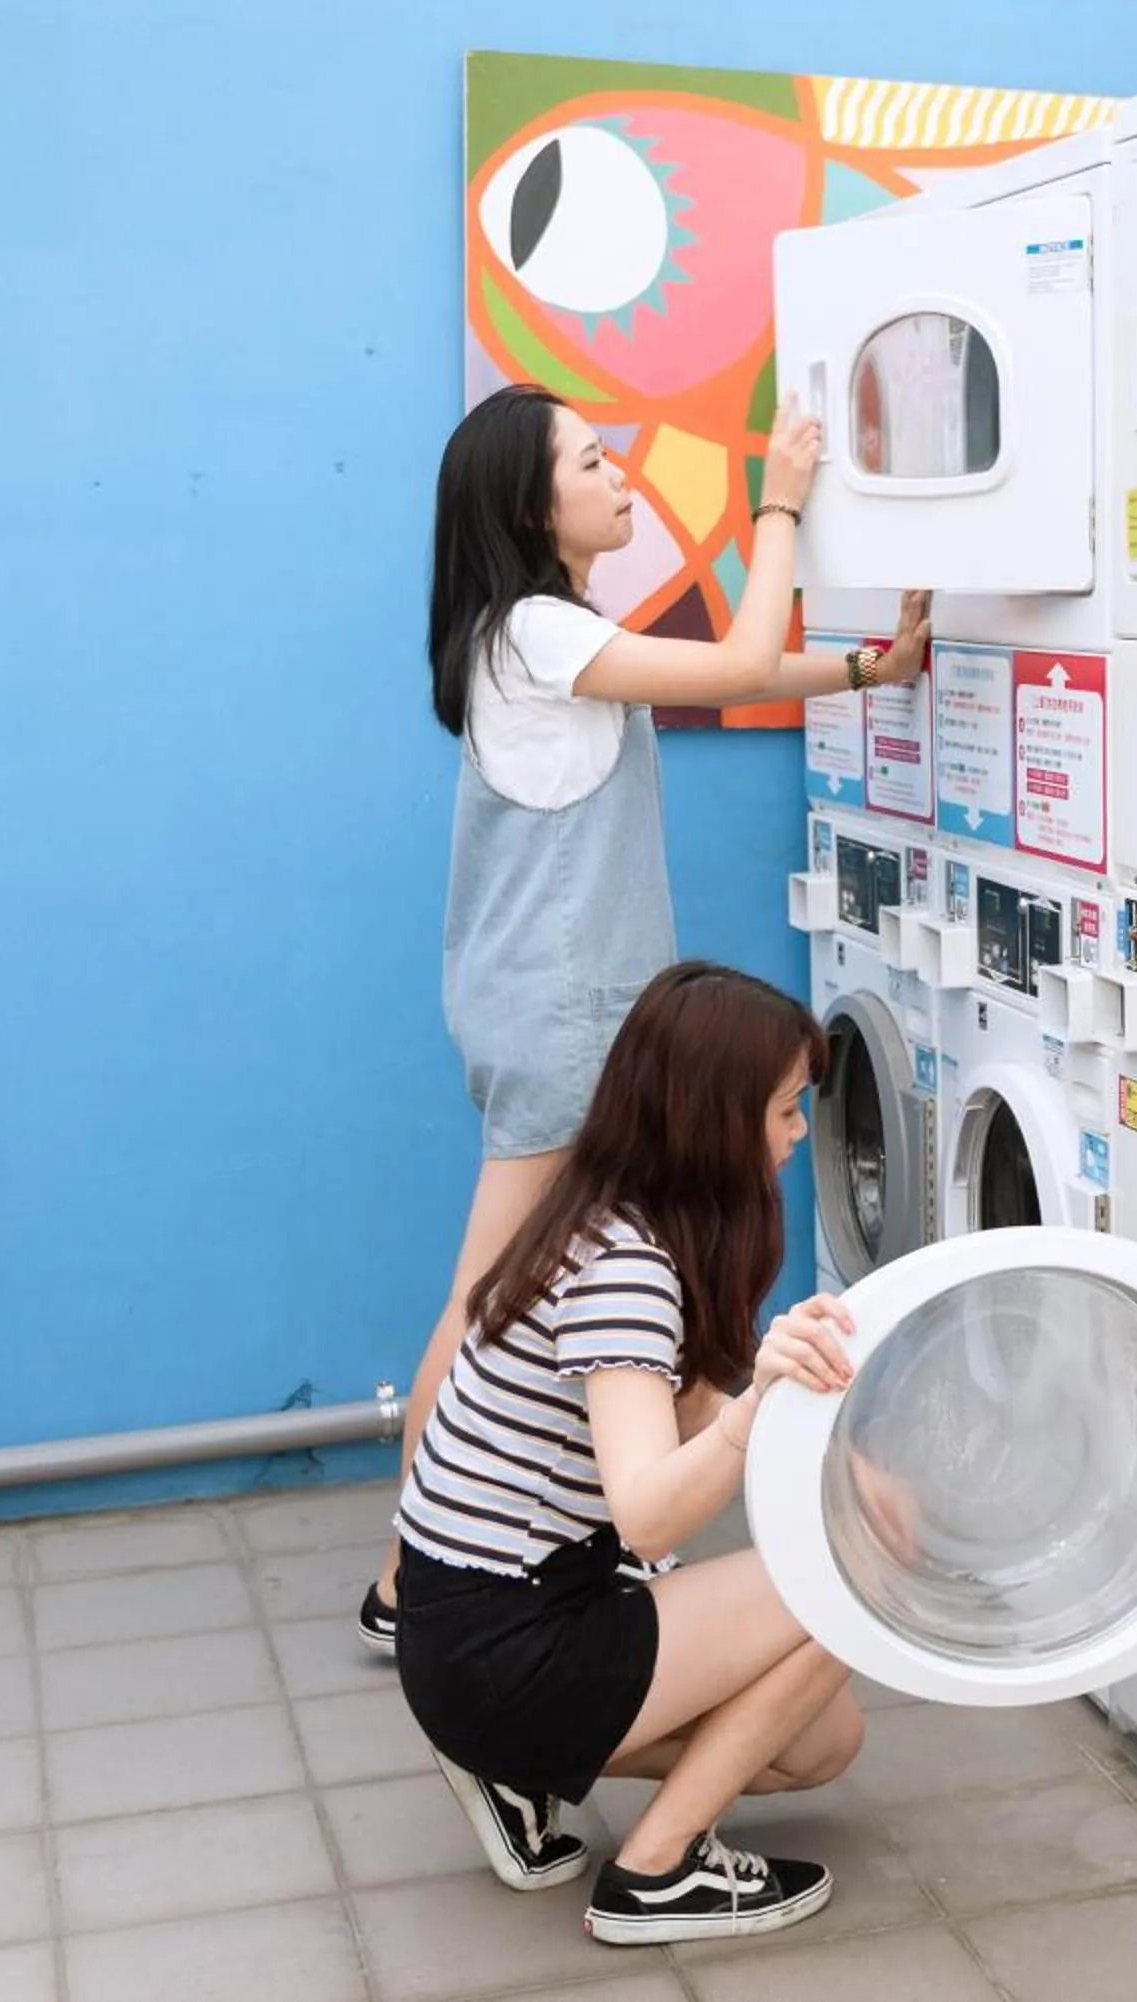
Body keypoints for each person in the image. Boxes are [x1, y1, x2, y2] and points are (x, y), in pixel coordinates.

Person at [359, 381, 930, 1654]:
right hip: (563, 1023)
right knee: (486, 1307)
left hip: (563, 1016)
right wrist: (776, 504)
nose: (621, 476)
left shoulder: (546, 636)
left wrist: (867, 667)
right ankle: (416, 1586)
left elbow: (725, 673)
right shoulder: (534, 634)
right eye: (592, 460)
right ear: (529, 504)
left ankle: (505, 1560)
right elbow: (731, 662)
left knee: (528, 1296)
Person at [393, 959, 871, 1945]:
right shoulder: (628, 1273)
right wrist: (766, 1405)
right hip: (504, 1642)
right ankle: (656, 1873)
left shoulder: (610, 1214)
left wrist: (822, 1440)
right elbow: (649, 1510)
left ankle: (513, 1765)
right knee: (860, 1580)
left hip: (478, 1622)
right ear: (711, 1117)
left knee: (821, 1743)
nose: (795, 1135)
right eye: (785, 1110)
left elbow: (689, 1425)